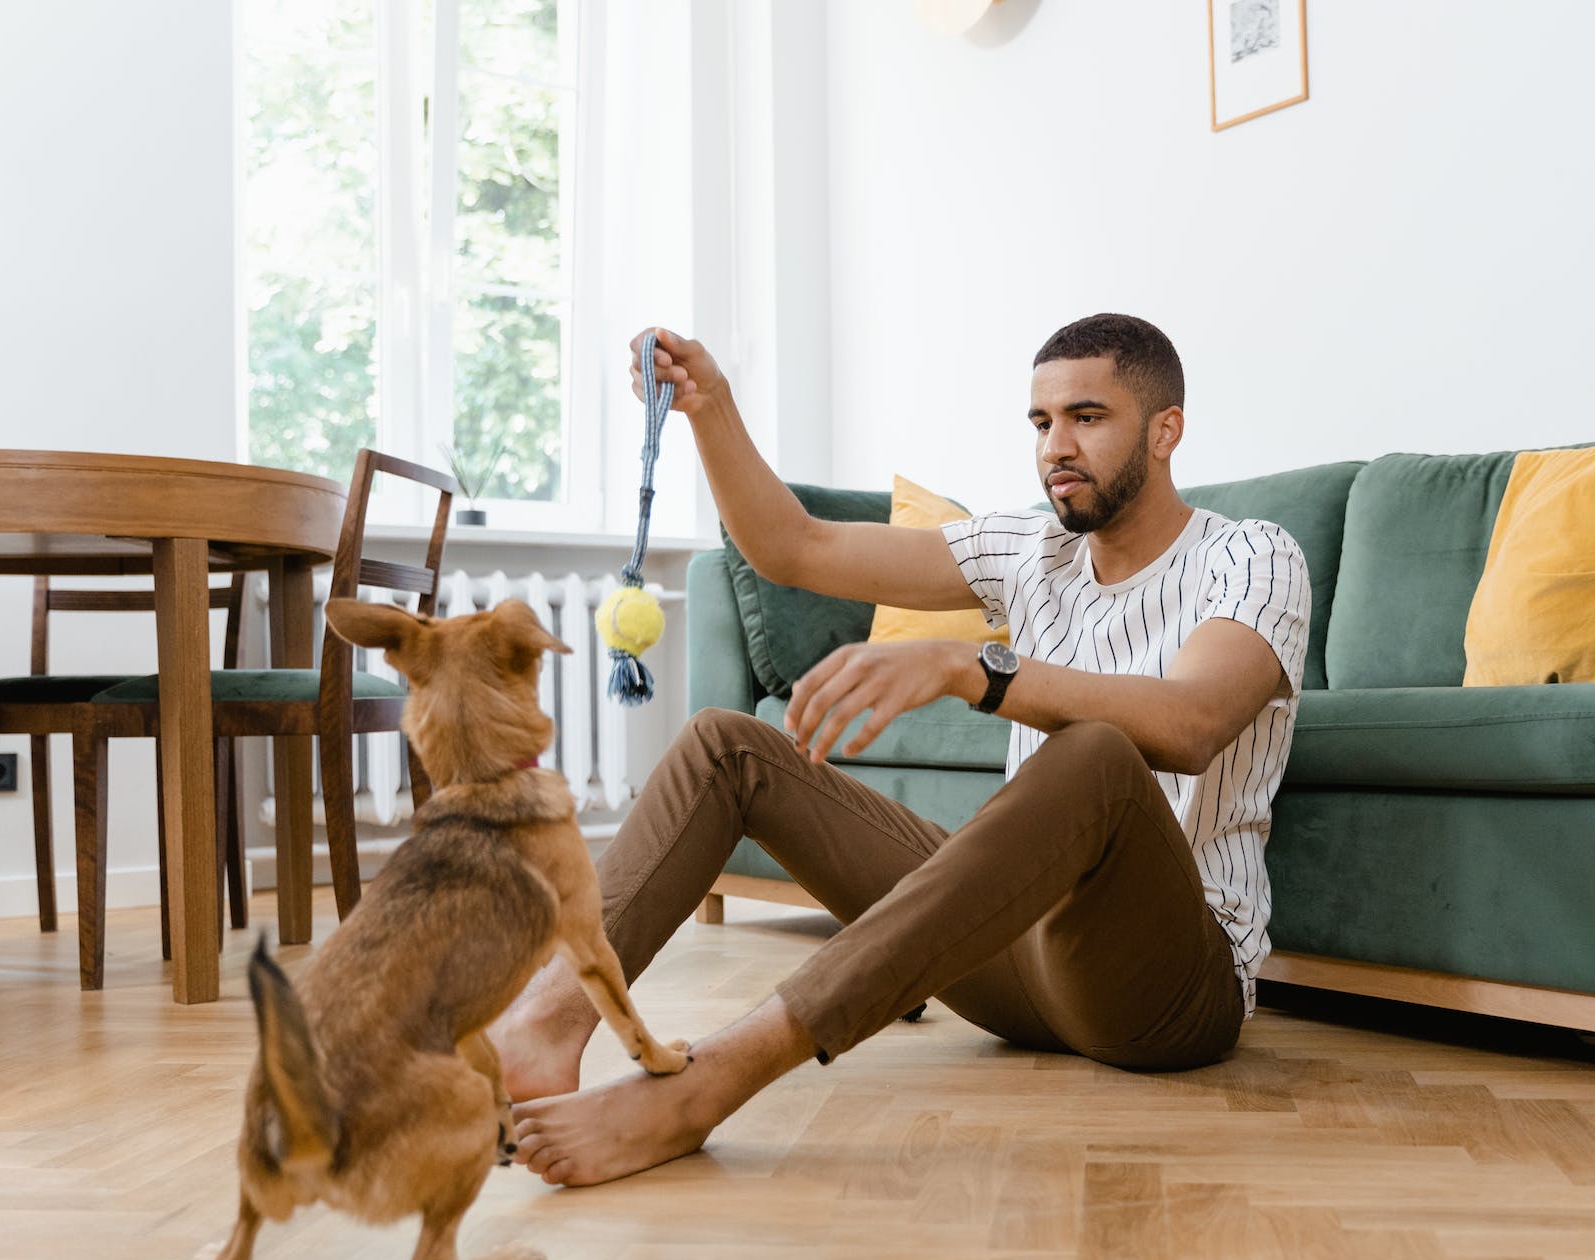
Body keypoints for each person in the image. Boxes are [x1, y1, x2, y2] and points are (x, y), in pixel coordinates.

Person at [494, 313, 1310, 1187]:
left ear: (1165, 430)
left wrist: (971, 666)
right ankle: (542, 1030)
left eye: (1087, 417)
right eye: (1041, 424)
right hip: (1016, 972)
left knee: (1097, 757)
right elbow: (791, 547)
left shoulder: (1252, 556)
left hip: (1166, 992)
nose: (1056, 448)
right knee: (726, 748)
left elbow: (1190, 725)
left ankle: (709, 1082)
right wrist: (711, 408)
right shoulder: (1030, 551)